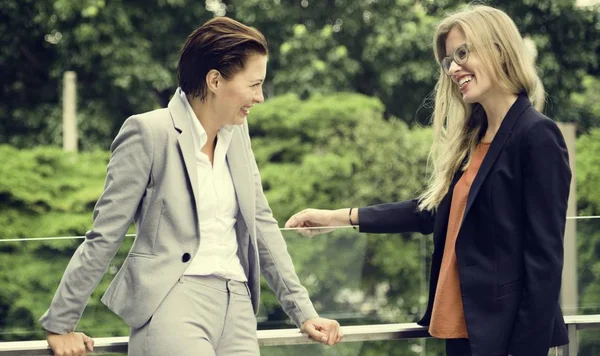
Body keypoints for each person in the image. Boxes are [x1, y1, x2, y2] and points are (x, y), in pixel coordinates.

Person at [41, 17, 342, 356]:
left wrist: (303, 311)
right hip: (173, 300)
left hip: (238, 306)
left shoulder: (237, 134)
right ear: (214, 80)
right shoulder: (149, 132)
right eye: (254, 85)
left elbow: (260, 224)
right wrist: (61, 323)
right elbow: (106, 233)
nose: (260, 98)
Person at [286, 5, 570, 356]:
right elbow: (431, 213)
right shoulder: (474, 137)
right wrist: (339, 217)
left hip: (506, 341)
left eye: (463, 53)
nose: (453, 68)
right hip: (463, 334)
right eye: (448, 60)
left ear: (498, 49)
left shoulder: (536, 135)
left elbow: (544, 261)